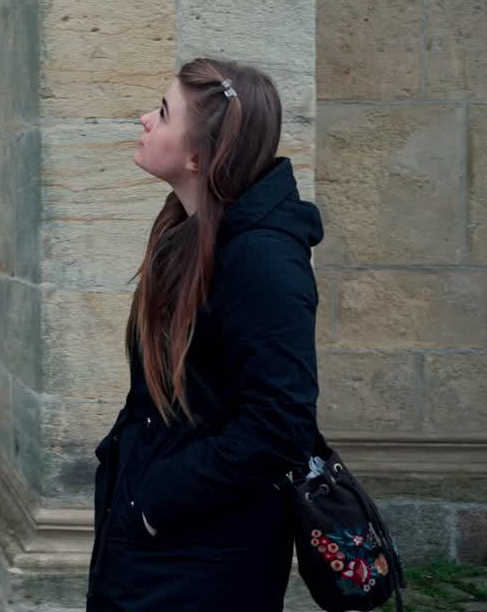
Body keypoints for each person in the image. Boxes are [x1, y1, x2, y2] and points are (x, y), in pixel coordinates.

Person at [85, 58, 323, 611]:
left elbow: (281, 424)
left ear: (198, 155)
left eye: (164, 113)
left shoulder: (264, 262)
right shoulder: (184, 231)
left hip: (207, 557)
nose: (145, 119)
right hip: (158, 540)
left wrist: (155, 501)